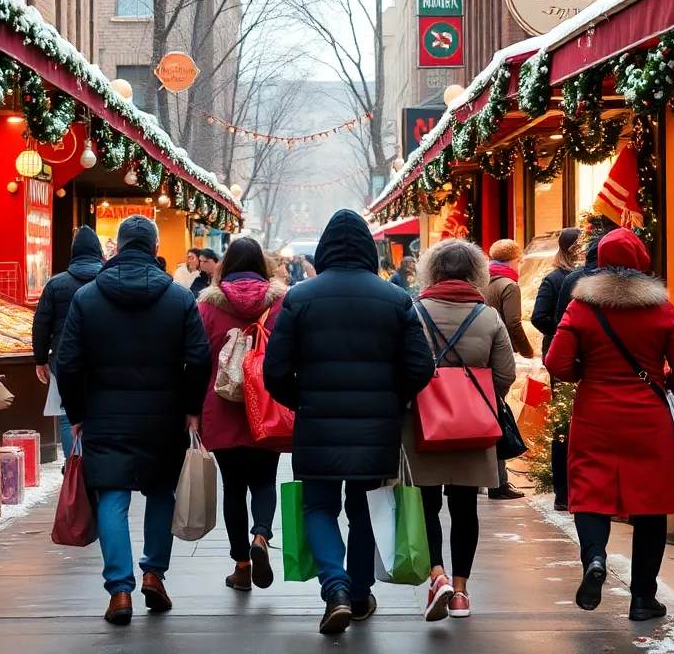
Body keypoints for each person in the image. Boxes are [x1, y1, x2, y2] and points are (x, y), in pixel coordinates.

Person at [265, 209, 435, 635]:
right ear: (367, 250)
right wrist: (391, 399)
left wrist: (303, 401)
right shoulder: (395, 298)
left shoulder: (300, 298)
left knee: (318, 507)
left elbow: (275, 371)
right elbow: (421, 367)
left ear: (323, 250)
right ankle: (359, 595)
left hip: (317, 425)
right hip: (376, 427)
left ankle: (335, 587)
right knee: (365, 510)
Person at [55, 216, 211, 626]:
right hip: (164, 415)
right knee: (160, 492)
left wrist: (77, 413)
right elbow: (199, 358)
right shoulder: (179, 298)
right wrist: (191, 407)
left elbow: (67, 362)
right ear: (155, 248)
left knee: (112, 496)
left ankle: (119, 590)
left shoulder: (87, 297)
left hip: (104, 414)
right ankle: (154, 573)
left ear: (118, 248)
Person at [544, 228, 674, 622]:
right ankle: (643, 598)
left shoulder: (581, 306)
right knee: (651, 504)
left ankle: (595, 558)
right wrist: (666, 385)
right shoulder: (661, 308)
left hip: (595, 415)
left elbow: (557, 363)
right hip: (649, 417)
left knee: (590, 493)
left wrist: (587, 375)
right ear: (642, 263)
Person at [406, 239, 516, 622]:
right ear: (475, 272)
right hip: (474, 426)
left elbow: (401, 368)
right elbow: (506, 375)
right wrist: (476, 398)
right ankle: (462, 593)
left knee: (426, 505)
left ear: (432, 271)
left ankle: (436, 575)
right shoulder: (488, 317)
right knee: (465, 507)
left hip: (422, 423)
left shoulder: (414, 312)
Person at [197, 237, 287, 592]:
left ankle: (242, 566)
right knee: (265, 480)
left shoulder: (207, 307)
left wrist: (192, 410)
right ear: (263, 265)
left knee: (233, 487)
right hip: (266, 404)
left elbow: (197, 360)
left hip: (222, 407)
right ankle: (261, 535)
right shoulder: (280, 304)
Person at [33, 226, 104, 462]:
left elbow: (41, 324)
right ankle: (95, 462)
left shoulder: (55, 284)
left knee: (67, 416)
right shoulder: (106, 280)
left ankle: (72, 465)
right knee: (99, 412)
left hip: (63, 359)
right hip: (101, 359)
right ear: (98, 251)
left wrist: (40, 359)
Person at [531, 227, 581, 512]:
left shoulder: (564, 277)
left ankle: (565, 492)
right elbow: (539, 317)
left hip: (565, 356)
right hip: (564, 357)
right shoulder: (556, 278)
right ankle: (563, 490)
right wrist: (565, 331)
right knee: (565, 423)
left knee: (566, 422)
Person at [483, 239, 533, 500]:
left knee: (484, 416)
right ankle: (499, 482)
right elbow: (513, 323)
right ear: (514, 260)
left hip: (480, 356)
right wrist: (527, 350)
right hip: (499, 354)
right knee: (499, 417)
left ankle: (483, 478)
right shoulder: (509, 285)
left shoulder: (482, 280)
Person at [531, 228, 581, 357]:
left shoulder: (553, 278)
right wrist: (562, 330)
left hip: (557, 347)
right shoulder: (555, 279)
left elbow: (539, 317)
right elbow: (539, 318)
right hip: (565, 347)